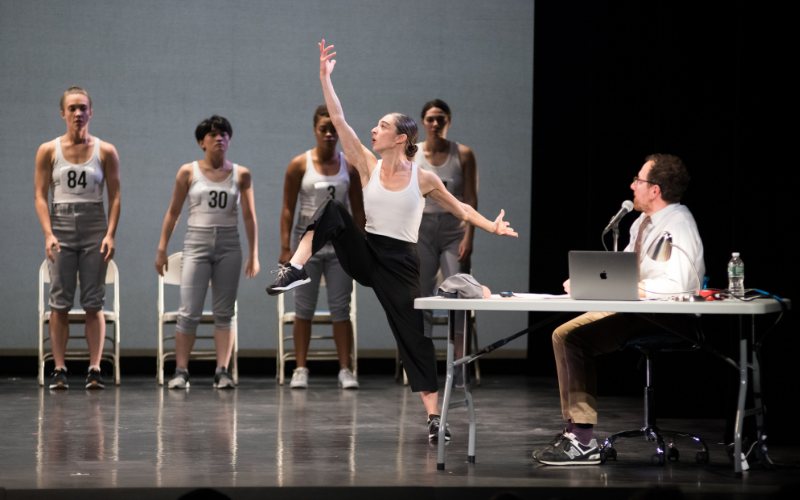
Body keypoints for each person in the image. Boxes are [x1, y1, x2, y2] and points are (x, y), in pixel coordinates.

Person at [267, 40, 517, 440]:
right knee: (333, 211)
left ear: (401, 137)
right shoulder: (367, 163)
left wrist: (491, 226)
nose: (374, 130)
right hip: (367, 251)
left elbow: (460, 209)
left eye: (382, 126)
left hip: (400, 263)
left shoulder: (423, 177)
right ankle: (295, 268)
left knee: (413, 337)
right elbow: (340, 118)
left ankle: (435, 418)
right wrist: (324, 78)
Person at [532, 154, 704, 465]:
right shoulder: (642, 222)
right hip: (637, 310)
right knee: (563, 334)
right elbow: (621, 271)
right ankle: (575, 432)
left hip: (665, 317)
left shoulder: (678, 224)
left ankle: (583, 441)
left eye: (638, 180)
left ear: (655, 189)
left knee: (573, 337)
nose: (632, 185)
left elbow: (677, 286)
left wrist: (626, 288)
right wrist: (590, 282)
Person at [155, 115, 259, 389]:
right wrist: (162, 248)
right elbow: (173, 212)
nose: (219, 138)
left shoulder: (241, 174)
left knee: (224, 311)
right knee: (189, 311)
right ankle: (180, 371)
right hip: (196, 243)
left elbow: (249, 216)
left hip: (229, 245)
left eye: (224, 133)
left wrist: (254, 253)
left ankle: (222, 370)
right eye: (213, 134)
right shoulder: (188, 172)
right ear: (202, 142)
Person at [34, 86, 121, 390]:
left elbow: (115, 195)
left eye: (83, 107)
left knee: (93, 301)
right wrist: (48, 233)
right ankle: (59, 369)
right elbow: (40, 196)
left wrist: (110, 233)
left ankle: (94, 368)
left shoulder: (105, 150)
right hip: (60, 224)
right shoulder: (48, 150)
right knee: (59, 301)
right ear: (63, 113)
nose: (78, 113)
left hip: (94, 223)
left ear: (91, 112)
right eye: (72, 108)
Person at [278, 105, 366, 389]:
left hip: (339, 246)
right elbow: (288, 210)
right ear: (314, 130)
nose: (329, 134)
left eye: (334, 130)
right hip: (307, 246)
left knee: (341, 308)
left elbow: (358, 211)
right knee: (303, 307)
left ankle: (345, 369)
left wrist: (362, 244)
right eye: (323, 129)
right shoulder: (299, 165)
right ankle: (300, 368)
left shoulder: (348, 167)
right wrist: (284, 247)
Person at [415, 99, 478, 386]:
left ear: (449, 120)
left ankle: (460, 370)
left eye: (441, 118)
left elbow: (471, 199)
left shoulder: (463, 154)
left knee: (459, 296)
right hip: (422, 232)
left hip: (454, 232)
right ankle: (422, 366)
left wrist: (469, 235)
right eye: (430, 119)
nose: (436, 123)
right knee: (422, 296)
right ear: (423, 123)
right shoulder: (413, 154)